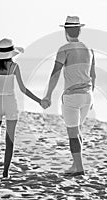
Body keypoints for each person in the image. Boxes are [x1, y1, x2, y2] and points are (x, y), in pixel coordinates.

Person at [42, 16, 96, 176]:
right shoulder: (89, 49)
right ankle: (76, 165)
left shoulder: (64, 49)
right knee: (77, 131)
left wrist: (48, 96)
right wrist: (92, 95)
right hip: (87, 95)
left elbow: (55, 74)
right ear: (79, 30)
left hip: (72, 97)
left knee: (73, 135)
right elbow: (93, 75)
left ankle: (79, 168)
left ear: (66, 31)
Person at [0, 38, 44, 180]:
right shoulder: (14, 67)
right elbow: (23, 89)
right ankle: (5, 172)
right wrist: (39, 101)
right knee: (9, 140)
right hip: (10, 102)